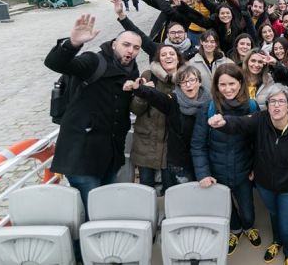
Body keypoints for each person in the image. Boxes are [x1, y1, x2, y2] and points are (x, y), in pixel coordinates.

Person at [207, 84, 288, 265]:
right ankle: (276, 242)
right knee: (274, 215)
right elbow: (240, 123)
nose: (276, 105)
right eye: (272, 101)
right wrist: (223, 122)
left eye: (281, 101)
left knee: (286, 224)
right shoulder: (260, 119)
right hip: (265, 184)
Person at [44, 14, 141, 209]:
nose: (130, 50)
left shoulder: (132, 71)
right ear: (114, 44)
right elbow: (56, 63)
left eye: (136, 48)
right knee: (94, 214)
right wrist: (72, 44)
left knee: (107, 209)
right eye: (126, 45)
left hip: (109, 158)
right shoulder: (93, 61)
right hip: (81, 157)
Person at [191, 64, 262, 255]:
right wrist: (203, 173)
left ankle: (248, 226)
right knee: (226, 208)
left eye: (232, 83)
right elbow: (198, 144)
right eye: (222, 84)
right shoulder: (209, 108)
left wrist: (255, 166)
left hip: (243, 170)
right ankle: (235, 230)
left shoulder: (252, 107)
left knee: (248, 209)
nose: (228, 89)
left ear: (241, 83)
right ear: (216, 85)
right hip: (216, 171)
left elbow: (258, 142)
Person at [125, 66, 208, 187]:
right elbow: (156, 97)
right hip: (179, 164)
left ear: (199, 82)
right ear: (179, 86)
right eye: (183, 82)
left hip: (203, 162)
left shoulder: (209, 103)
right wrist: (139, 88)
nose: (188, 85)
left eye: (191, 80)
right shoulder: (173, 101)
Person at [131, 45, 185, 193]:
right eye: (164, 54)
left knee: (170, 188)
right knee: (146, 189)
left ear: (178, 57)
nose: (168, 57)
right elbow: (136, 109)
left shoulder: (186, 77)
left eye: (172, 54)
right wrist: (143, 94)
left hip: (171, 144)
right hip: (147, 141)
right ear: (158, 59)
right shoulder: (149, 75)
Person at [113, 0, 199, 61]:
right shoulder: (157, 49)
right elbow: (140, 35)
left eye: (180, 32)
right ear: (168, 35)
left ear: (185, 34)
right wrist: (121, 15)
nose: (176, 35)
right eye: (173, 33)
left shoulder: (196, 51)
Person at [189, 29, 234, 99]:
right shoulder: (192, 63)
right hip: (201, 103)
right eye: (206, 41)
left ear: (216, 44)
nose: (209, 44)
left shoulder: (227, 62)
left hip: (223, 101)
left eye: (212, 42)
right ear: (201, 42)